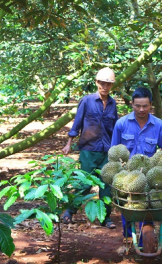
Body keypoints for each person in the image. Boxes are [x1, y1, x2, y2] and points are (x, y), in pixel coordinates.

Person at [110, 87, 162, 242]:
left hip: (150, 175)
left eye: (145, 106)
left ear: (151, 104)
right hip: (127, 175)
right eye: (137, 105)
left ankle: (144, 239)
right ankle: (128, 235)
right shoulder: (121, 124)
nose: (141, 109)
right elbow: (113, 152)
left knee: (147, 206)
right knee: (127, 205)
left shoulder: (158, 125)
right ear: (131, 104)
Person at [61, 67, 118, 229]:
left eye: (108, 84)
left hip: (107, 151)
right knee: (84, 184)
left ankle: (105, 217)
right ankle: (69, 212)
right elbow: (77, 122)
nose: (104, 86)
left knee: (106, 185)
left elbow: (115, 127)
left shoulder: (113, 104)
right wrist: (69, 143)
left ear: (112, 86)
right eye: (102, 83)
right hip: (88, 149)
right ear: (96, 83)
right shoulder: (87, 101)